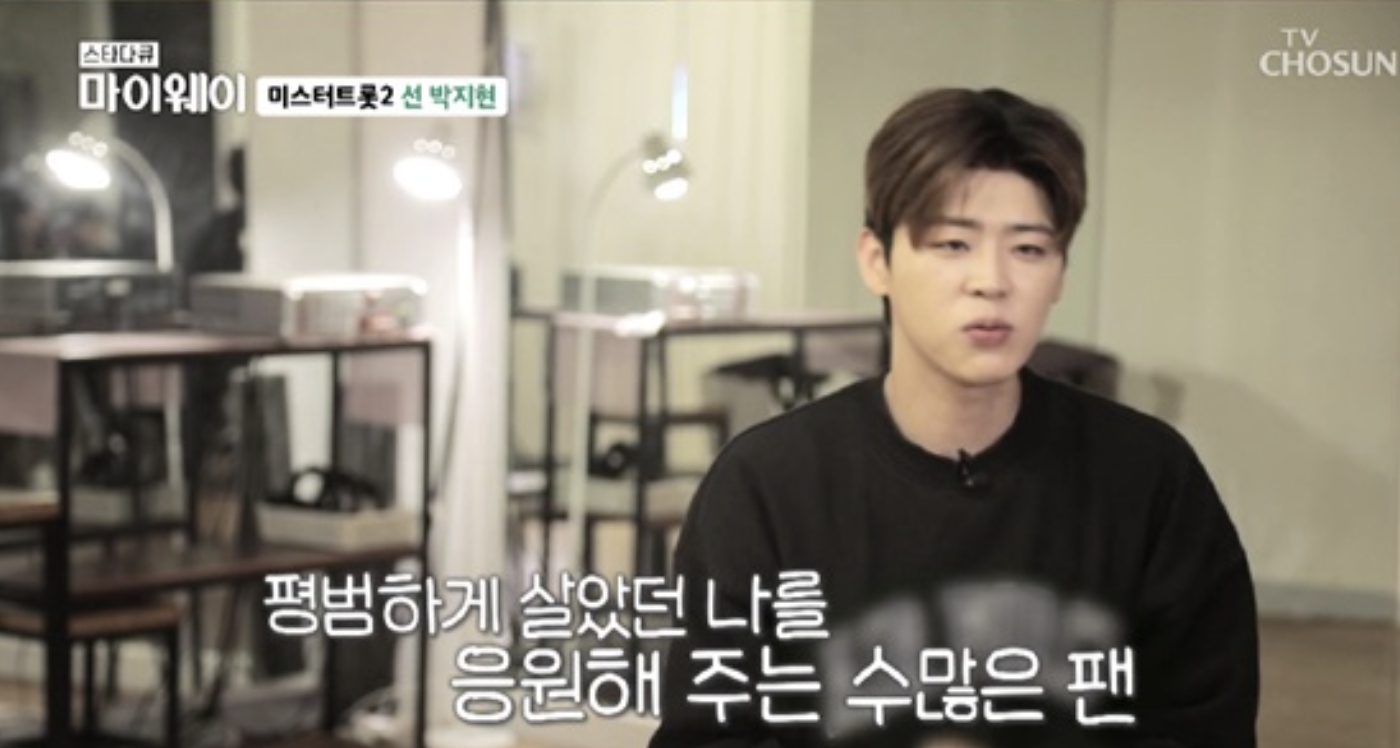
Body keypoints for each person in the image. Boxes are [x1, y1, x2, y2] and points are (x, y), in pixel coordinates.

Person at [649, 87, 1258, 748]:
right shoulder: (767, 486)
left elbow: (1205, 729)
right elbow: (707, 735)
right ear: (877, 261)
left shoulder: (1149, 480)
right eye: (952, 244)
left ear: (1060, 273)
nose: (991, 280)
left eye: (1029, 249)